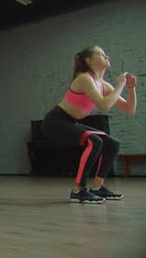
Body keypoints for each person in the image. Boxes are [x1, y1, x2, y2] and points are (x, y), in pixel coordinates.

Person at [42, 46, 137, 203]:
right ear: (89, 60)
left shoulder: (105, 86)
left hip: (70, 122)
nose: (106, 56)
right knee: (95, 140)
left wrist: (130, 87)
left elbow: (129, 109)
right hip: (55, 122)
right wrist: (120, 85)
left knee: (112, 143)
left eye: (106, 53)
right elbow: (104, 105)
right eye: (101, 54)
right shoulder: (84, 78)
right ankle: (78, 190)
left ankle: (97, 188)